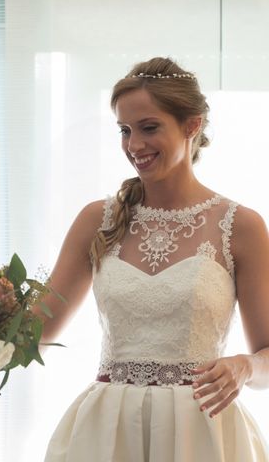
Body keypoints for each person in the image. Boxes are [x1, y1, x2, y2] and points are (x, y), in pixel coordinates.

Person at [39, 57, 269, 461]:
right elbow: (36, 327)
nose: (134, 145)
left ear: (191, 125)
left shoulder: (241, 225)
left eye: (148, 128)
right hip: (109, 434)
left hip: (202, 433)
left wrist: (243, 368)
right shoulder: (98, 219)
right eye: (125, 131)